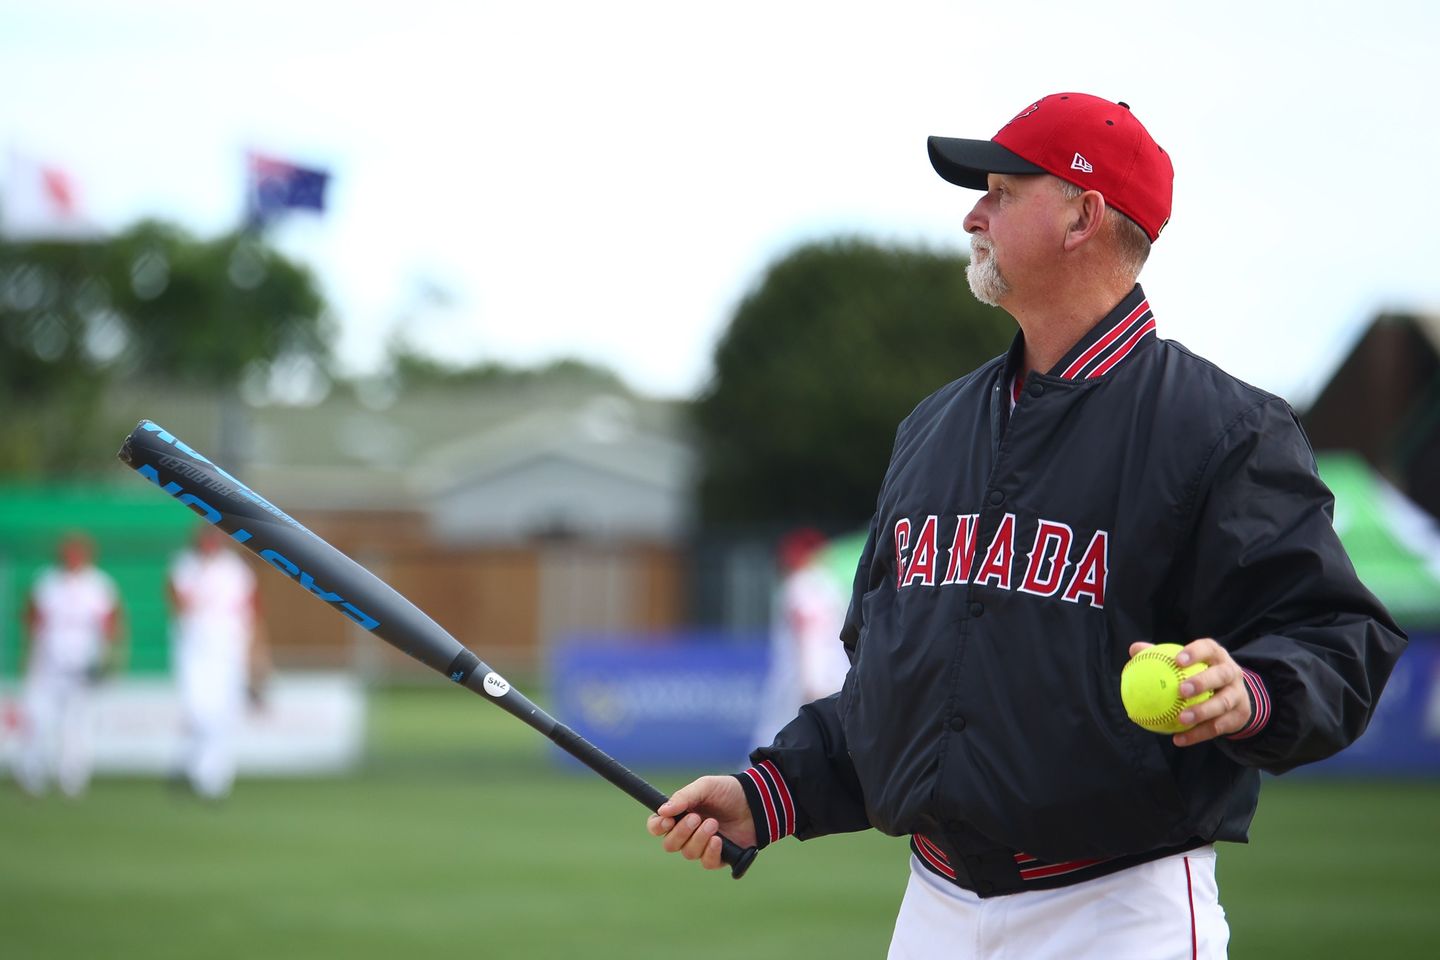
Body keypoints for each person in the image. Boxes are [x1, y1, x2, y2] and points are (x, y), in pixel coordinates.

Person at [646, 93, 1407, 958]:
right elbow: (894, 691)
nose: (973, 212)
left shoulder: (1223, 431)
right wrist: (773, 793)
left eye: (1002, 191)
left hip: (1118, 912)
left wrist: (1252, 692)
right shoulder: (934, 429)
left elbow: (1339, 635)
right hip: (933, 909)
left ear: (1084, 216)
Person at [15, 532, 124, 797]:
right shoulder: (47, 581)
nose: (72, 557)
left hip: (81, 667)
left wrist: (108, 658)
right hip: (47, 664)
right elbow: (31, 616)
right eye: (68, 552)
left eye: (78, 552)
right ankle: (32, 774)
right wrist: (29, 652)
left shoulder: (99, 585)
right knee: (38, 719)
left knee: (78, 724)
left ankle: (72, 779)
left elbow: (112, 622)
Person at [168, 524, 268, 800]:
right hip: (195, 652)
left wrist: (257, 658)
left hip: (229, 652)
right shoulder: (186, 566)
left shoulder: (237, 571)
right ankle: (195, 765)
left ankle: (212, 779)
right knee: (198, 711)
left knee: (225, 715)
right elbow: (178, 603)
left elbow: (252, 614)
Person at [750, 528, 853, 753]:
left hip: (802, 684)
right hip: (839, 678)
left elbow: (810, 636)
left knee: (772, 751)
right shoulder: (832, 585)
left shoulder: (801, 585)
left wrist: (813, 682)